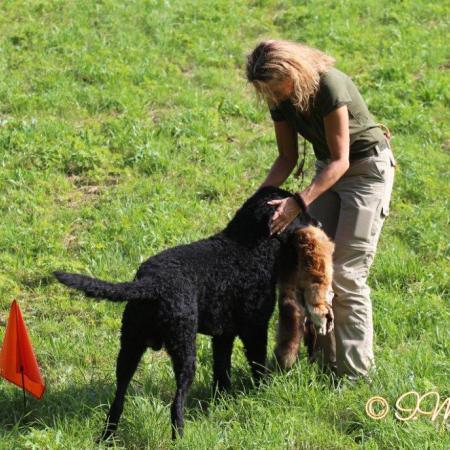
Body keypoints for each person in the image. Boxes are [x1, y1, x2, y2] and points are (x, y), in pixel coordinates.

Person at [245, 39, 396, 381]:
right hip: (329, 169)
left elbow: (343, 159)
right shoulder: (279, 97)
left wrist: (299, 201)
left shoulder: (329, 84)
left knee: (346, 274)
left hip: (365, 171)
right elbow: (287, 157)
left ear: (292, 72)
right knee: (313, 268)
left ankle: (355, 375)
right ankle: (324, 366)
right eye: (268, 94)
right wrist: (256, 202)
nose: (274, 99)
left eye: (277, 90)